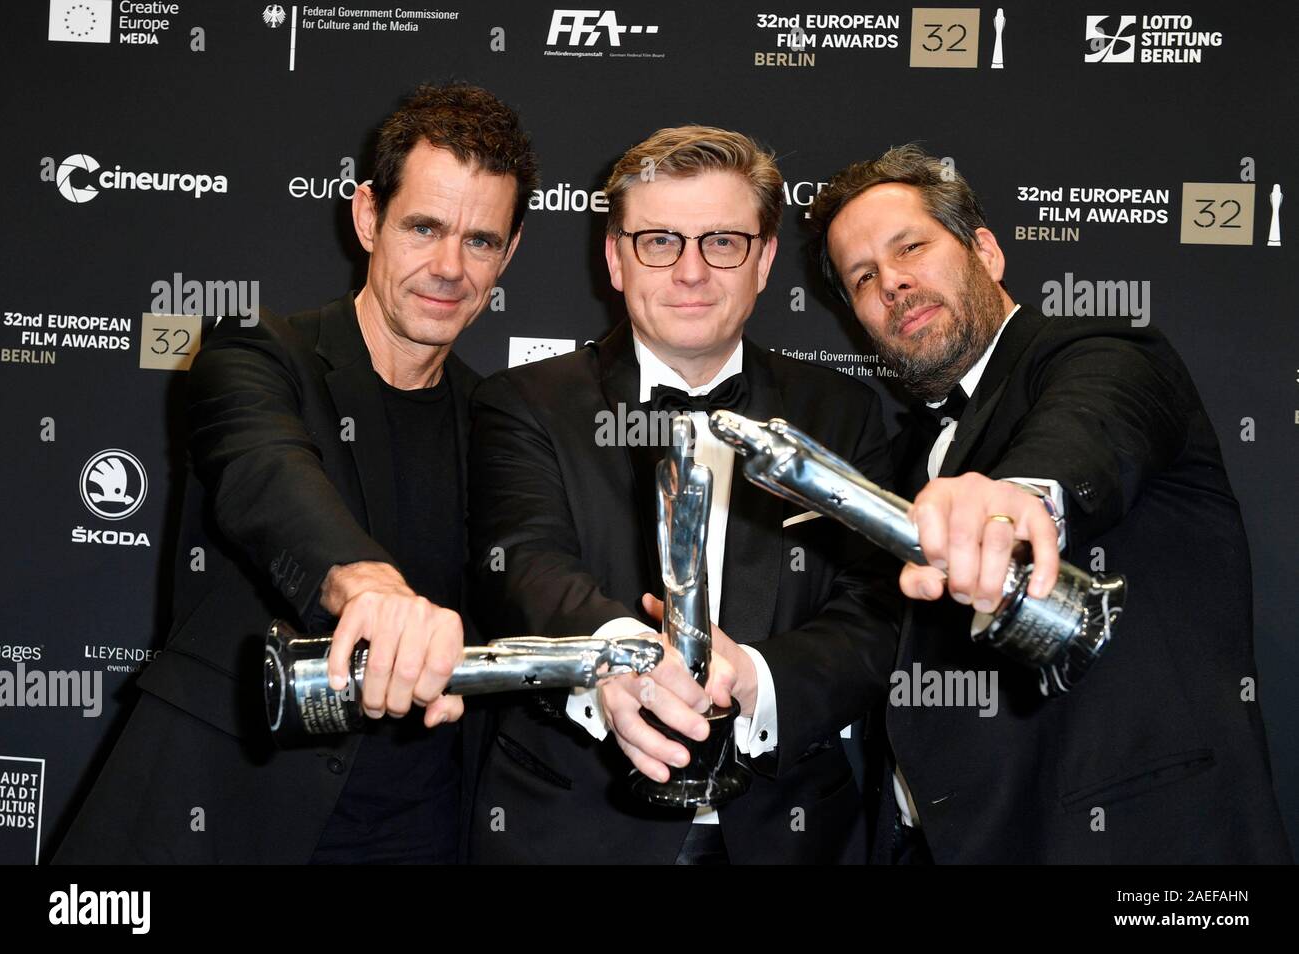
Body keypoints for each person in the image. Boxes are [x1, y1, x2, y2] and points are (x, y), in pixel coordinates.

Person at [53, 82, 538, 864]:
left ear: (508, 254)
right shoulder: (258, 352)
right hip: (220, 815)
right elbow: (264, 473)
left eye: (481, 241)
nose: (450, 267)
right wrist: (368, 588)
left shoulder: (502, 421)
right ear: (367, 216)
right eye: (424, 227)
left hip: (421, 831)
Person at [808, 143, 1291, 863]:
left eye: (912, 247)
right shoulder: (906, 458)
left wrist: (1013, 505)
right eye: (863, 277)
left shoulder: (1099, 350)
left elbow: (1088, 431)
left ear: (987, 251)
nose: (894, 285)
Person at [465, 126, 900, 865]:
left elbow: (874, 609)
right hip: (568, 832)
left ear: (764, 260)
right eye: (660, 241)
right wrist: (615, 662)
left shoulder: (841, 414)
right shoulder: (524, 404)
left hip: (795, 837)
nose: (691, 271)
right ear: (615, 257)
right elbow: (525, 565)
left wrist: (757, 680)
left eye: (723, 241)